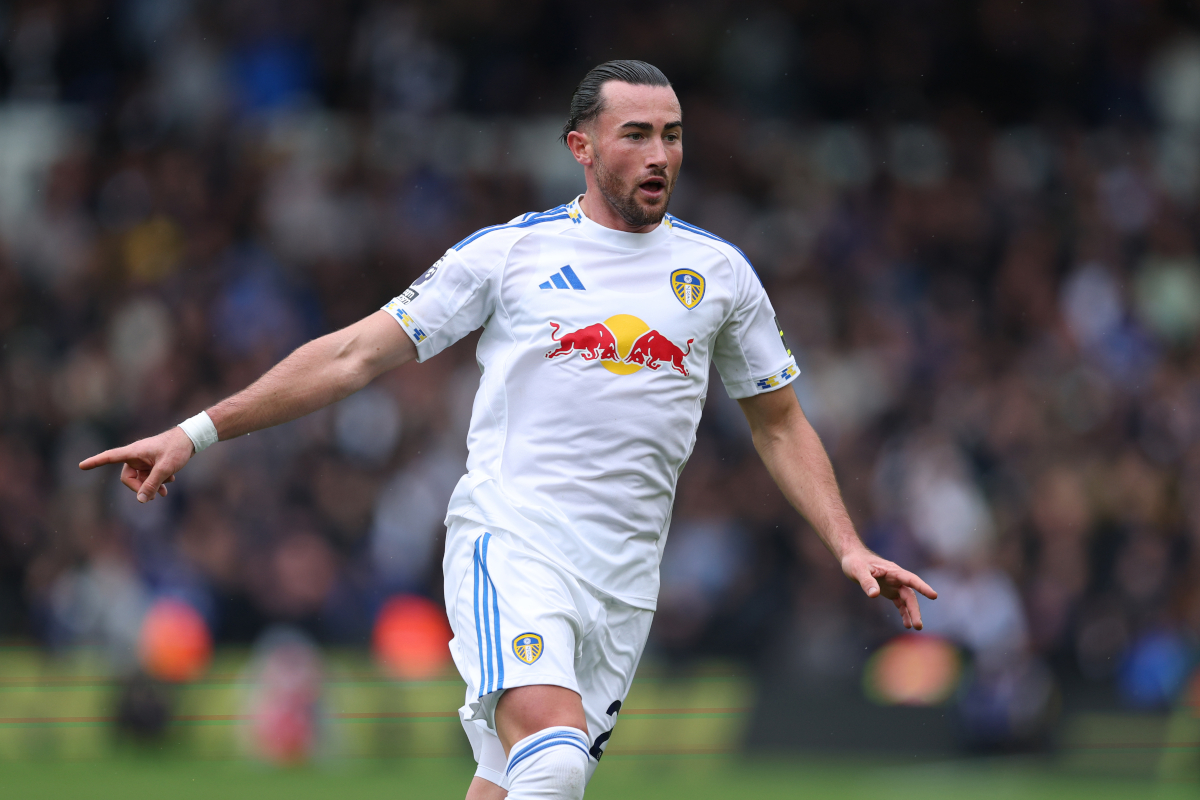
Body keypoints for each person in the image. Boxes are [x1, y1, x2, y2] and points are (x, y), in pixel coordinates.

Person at [81, 60, 936, 800]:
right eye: (635, 134)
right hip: (513, 541)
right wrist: (194, 432)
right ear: (582, 147)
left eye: (672, 136)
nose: (659, 155)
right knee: (555, 764)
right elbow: (350, 357)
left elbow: (780, 423)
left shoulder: (719, 274)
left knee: (512, 778)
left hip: (626, 584)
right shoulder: (507, 255)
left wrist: (848, 546)